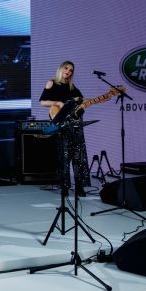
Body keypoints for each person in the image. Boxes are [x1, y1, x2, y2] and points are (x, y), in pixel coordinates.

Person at [39, 61, 91, 197]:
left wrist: (86, 102)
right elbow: (42, 101)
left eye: (71, 70)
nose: (68, 71)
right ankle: (64, 187)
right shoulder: (51, 83)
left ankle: (79, 187)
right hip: (62, 125)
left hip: (75, 124)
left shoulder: (72, 87)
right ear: (61, 68)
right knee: (64, 156)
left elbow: (81, 102)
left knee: (79, 156)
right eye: (66, 68)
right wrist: (57, 102)